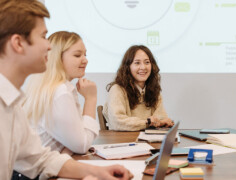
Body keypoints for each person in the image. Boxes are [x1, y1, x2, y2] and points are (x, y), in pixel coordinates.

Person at [0, 0, 132, 179]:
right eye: (43, 36)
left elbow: (40, 159)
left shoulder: (12, 104)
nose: (49, 46)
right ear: (18, 43)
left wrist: (97, 171)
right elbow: (79, 144)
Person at [23, 31, 99, 155]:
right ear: (57, 58)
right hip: (37, 174)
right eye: (77, 55)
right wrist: (91, 98)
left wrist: (68, 149)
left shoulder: (56, 88)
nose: (85, 60)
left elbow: (77, 141)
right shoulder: (60, 92)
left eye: (85, 54)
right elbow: (82, 145)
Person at [103, 45, 174, 131]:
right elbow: (117, 122)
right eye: (137, 63)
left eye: (147, 62)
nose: (143, 67)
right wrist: (147, 122)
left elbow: (161, 118)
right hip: (124, 142)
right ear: (128, 67)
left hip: (148, 141)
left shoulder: (154, 90)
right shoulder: (117, 89)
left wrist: (163, 122)